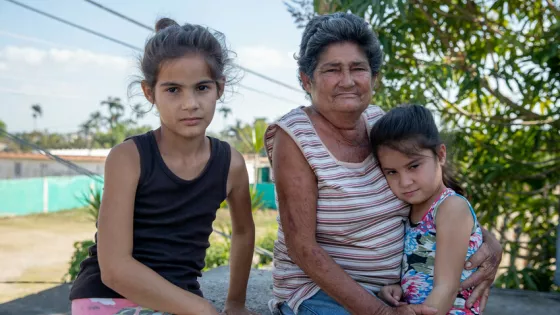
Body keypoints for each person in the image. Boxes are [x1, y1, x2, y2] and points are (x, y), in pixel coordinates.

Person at [264, 12, 502, 315]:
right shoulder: (295, 137)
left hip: (396, 290)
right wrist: (381, 313)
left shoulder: (379, 122)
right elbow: (303, 249)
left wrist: (488, 242)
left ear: (374, 77)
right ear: (306, 80)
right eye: (332, 69)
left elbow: (437, 191)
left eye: (358, 68)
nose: (348, 81)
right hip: (319, 293)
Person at [69, 18, 256, 315]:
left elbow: (244, 231)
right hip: (109, 297)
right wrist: (204, 309)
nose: (190, 103)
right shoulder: (128, 158)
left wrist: (235, 303)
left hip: (180, 301)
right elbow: (115, 269)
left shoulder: (230, 164)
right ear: (149, 92)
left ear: (219, 88)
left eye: (202, 88)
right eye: (173, 90)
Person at [371, 105, 483, 315]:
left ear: (440, 155)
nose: (404, 181)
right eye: (392, 172)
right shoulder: (407, 211)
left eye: (414, 166)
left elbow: (447, 287)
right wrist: (400, 290)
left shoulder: (451, 207)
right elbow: (423, 271)